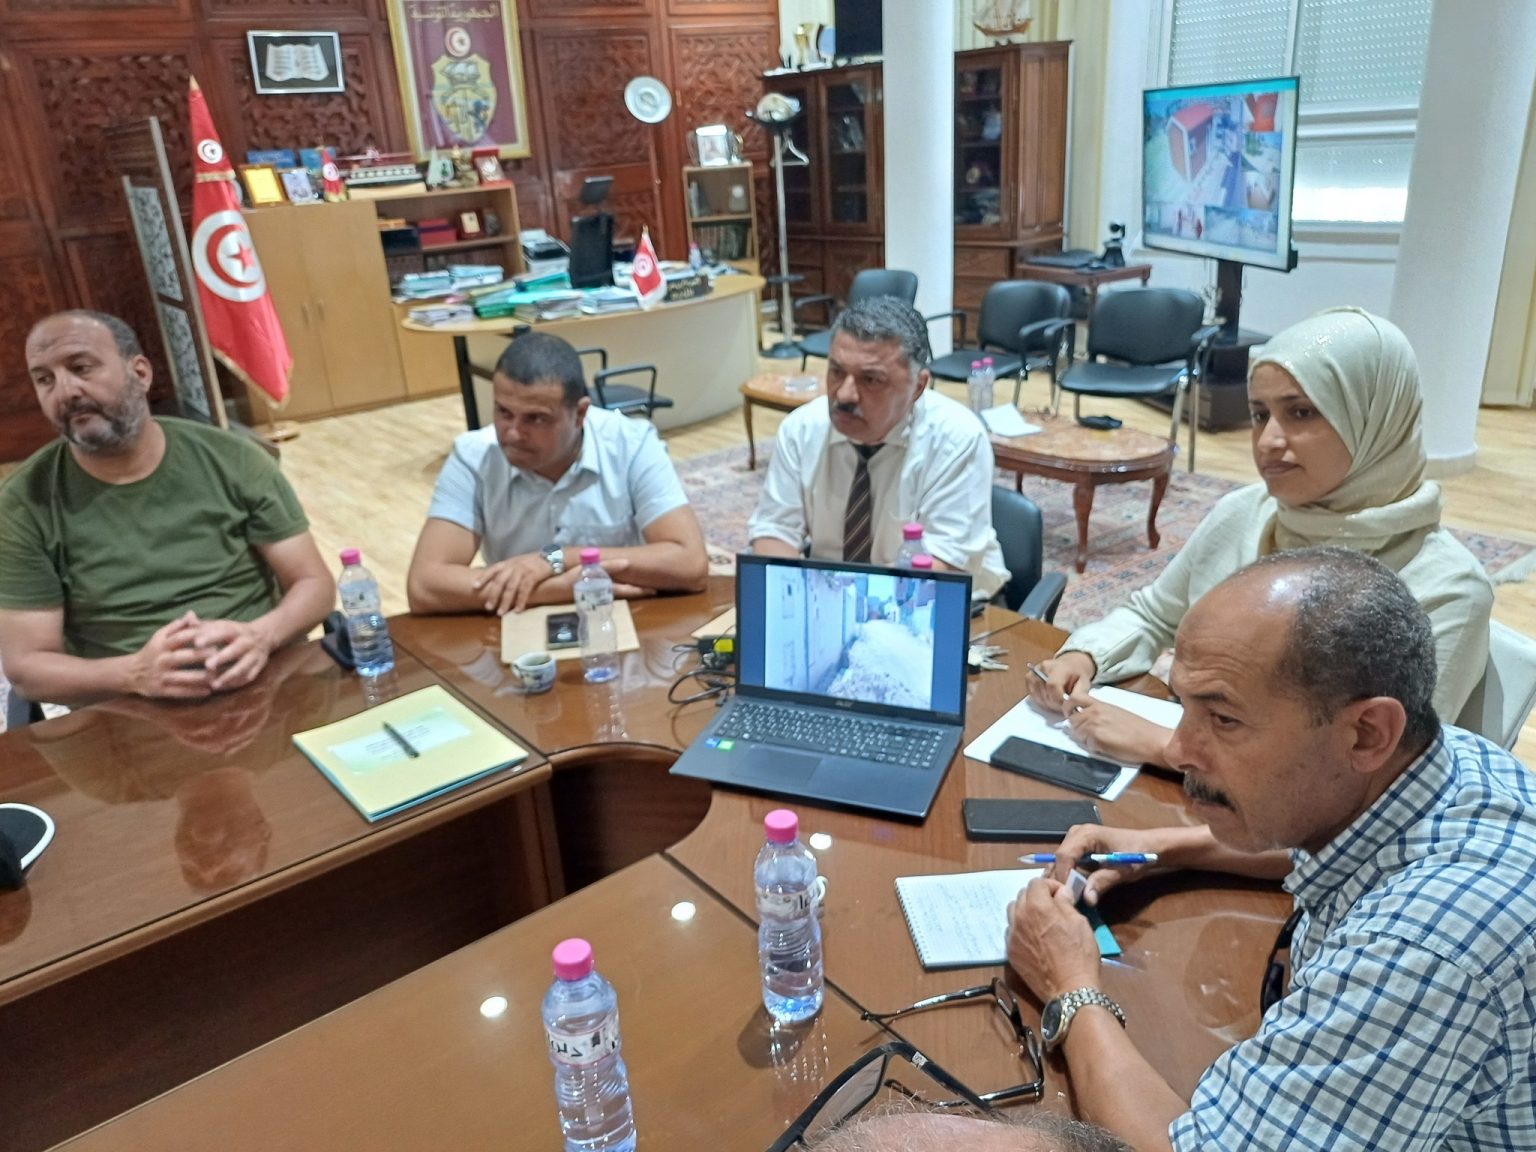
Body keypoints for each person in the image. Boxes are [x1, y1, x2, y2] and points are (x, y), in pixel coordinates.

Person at [1007, 547, 1536, 1152]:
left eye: (1223, 720)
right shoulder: (1444, 759)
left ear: (1368, 732)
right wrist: (1164, 847)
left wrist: (1071, 986)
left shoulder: (1425, 951)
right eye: (1184, 707)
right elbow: (1340, 834)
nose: (1177, 749)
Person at [1029, 307, 1492, 767]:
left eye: (1301, 412)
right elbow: (1153, 616)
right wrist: (1086, 657)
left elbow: (1386, 772)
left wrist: (1171, 748)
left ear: (1375, 419)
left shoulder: (1446, 586)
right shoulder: (1245, 513)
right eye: (1258, 414)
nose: (1268, 440)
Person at [0, 311, 333, 707]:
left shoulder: (233, 459)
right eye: (45, 379)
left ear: (140, 373)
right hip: (129, 709)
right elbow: (28, 667)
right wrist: (135, 673)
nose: (65, 391)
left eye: (81, 368)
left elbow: (314, 584)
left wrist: (261, 636)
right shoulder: (24, 504)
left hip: (264, 684)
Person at [406, 331, 707, 615]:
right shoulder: (474, 456)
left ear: (580, 414)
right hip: (516, 620)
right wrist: (558, 589)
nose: (513, 433)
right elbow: (424, 586)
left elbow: (690, 564)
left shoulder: (631, 444)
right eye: (503, 412)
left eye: (536, 419)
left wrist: (557, 558)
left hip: (623, 615)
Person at [747, 296, 1007, 599]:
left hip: (938, 603)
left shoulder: (957, 439)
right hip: (826, 601)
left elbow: (941, 565)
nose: (844, 395)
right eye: (836, 372)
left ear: (917, 387)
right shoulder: (801, 429)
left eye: (870, 380)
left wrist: (845, 603)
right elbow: (774, 533)